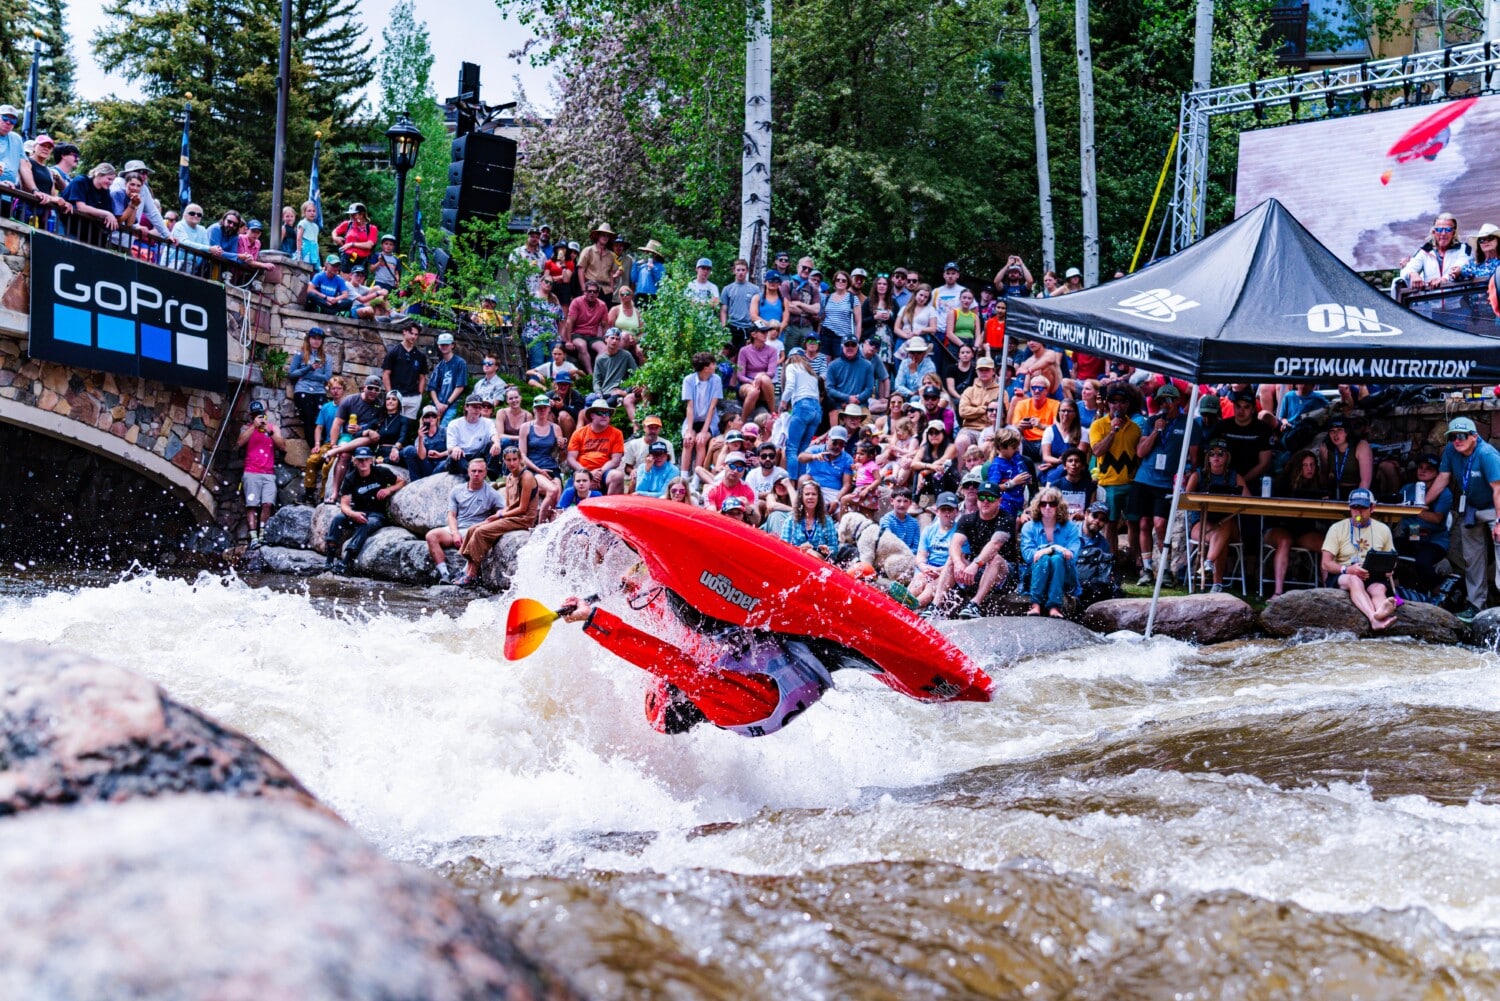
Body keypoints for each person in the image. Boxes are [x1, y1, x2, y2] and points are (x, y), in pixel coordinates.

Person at [1426, 416, 1500, 621]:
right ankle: (1476, 606)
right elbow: (1443, 478)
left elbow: (1499, 490)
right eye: (1452, 437)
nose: (1457, 440)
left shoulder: (1487, 455)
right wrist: (1422, 503)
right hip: (1471, 507)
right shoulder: (1451, 450)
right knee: (1472, 557)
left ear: (1474, 436)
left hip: (1495, 506)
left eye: (1462, 436)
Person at [1130, 384, 1194, 588]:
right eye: (1161, 400)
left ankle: (1165, 569)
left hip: (1166, 482)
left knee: (1160, 524)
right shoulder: (1151, 422)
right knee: (1144, 524)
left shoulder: (1187, 423)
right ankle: (1147, 568)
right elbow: (1140, 452)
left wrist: (1185, 475)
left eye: (1169, 400)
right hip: (1145, 478)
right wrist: (1157, 431)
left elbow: (1194, 457)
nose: (1164, 405)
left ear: (1177, 401)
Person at [452, 448, 540, 586]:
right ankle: (467, 570)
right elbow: (510, 505)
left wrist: (500, 514)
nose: (512, 463)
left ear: (520, 460)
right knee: (472, 529)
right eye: (508, 460)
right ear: (504, 461)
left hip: (523, 519)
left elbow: (522, 508)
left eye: (514, 459)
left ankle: (472, 575)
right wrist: (496, 516)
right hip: (511, 516)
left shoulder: (526, 477)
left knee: (481, 532)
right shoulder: (510, 477)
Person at [1320, 488, 1400, 630]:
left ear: (1372, 508)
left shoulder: (1382, 529)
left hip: (1372, 574)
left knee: (1379, 588)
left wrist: (1389, 569)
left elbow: (1392, 559)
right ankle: (1373, 617)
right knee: (1354, 579)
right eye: (1354, 508)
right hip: (1344, 574)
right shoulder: (1337, 528)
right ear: (1349, 508)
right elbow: (1326, 563)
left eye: (1362, 508)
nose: (1358, 512)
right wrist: (1348, 569)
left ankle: (1382, 611)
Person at [425, 457, 506, 584]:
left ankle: (464, 574)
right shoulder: (457, 490)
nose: (476, 474)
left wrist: (492, 519)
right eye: (473, 471)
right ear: (468, 471)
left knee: (476, 535)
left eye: (480, 471)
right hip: (456, 529)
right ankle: (445, 574)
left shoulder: (492, 494)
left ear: (485, 473)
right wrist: (455, 532)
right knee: (431, 535)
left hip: (474, 530)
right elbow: (451, 515)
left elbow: (504, 511)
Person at [940, 481, 1014, 620]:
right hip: (977, 571)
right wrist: (958, 563)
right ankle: (935, 606)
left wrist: (975, 565)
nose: (985, 501)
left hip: (1004, 574)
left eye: (991, 498)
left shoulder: (1006, 519)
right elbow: (955, 543)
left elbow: (995, 545)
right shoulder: (967, 519)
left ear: (999, 500)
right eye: (982, 497)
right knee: (952, 559)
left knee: (995, 558)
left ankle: (975, 604)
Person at [324, 446, 404, 574]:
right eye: (360, 460)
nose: (363, 463)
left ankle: (345, 562)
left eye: (366, 459)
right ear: (355, 461)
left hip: (376, 515)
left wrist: (388, 490)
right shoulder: (351, 478)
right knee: (338, 519)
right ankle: (329, 560)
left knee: (365, 523)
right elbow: (344, 504)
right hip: (357, 511)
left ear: (371, 460)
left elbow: (401, 482)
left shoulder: (381, 472)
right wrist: (352, 513)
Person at [1263, 449, 1329, 597]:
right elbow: (1271, 510)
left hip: (1303, 532)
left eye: (1312, 465)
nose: (1309, 469)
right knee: (1285, 541)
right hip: (1279, 527)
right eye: (1305, 465)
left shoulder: (1317, 485)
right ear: (1297, 467)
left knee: (1327, 545)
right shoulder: (1282, 484)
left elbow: (1322, 518)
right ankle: (1278, 593)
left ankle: (1329, 592)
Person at [1183, 439, 1248, 592]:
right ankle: (1217, 584)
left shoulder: (1234, 476)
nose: (1216, 457)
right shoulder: (1198, 475)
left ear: (1227, 457)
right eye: (1212, 454)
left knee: (1224, 525)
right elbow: (1185, 499)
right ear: (1208, 458)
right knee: (1220, 537)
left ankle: (1209, 561)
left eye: (1220, 454)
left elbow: (1248, 500)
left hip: (1227, 522)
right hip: (1202, 521)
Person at [1395, 454, 1454, 594]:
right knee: (1386, 552)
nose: (1422, 471)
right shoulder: (1407, 488)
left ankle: (1438, 594)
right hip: (1410, 535)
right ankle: (1395, 591)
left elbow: (1437, 518)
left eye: (1429, 468)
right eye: (1420, 467)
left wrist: (1413, 510)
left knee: (1423, 562)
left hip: (1433, 539)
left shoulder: (1444, 493)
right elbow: (1396, 509)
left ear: (1437, 473)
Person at [1020, 487, 1079, 617]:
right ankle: (1036, 605)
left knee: (1057, 559)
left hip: (1064, 574)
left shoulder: (1070, 527)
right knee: (1044, 559)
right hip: (1035, 573)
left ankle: (1054, 606)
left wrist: (1053, 549)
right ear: (1038, 506)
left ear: (1059, 506)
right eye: (1043, 504)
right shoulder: (1029, 527)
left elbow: (1072, 556)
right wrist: (1052, 548)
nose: (1047, 507)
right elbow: (1029, 556)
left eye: (1052, 504)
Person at [238, 401, 287, 547]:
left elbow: (283, 446)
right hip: (251, 471)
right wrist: (254, 426)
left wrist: (268, 431)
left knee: (267, 504)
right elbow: (239, 443)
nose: (259, 417)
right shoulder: (247, 428)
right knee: (251, 505)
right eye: (255, 415)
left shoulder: (273, 428)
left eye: (261, 414)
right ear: (251, 416)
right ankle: (253, 537)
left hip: (268, 472)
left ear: (265, 413)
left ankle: (262, 534)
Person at [1399, 212, 1471, 290]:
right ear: (1434, 232)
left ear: (1453, 232)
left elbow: (1462, 266)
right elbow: (1406, 270)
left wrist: (1444, 279)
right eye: (1439, 229)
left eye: (1448, 229)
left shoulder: (1463, 249)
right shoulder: (1425, 251)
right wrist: (1412, 274)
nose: (1443, 233)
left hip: (1456, 300)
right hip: (1431, 300)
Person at [567, 398, 626, 492]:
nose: (604, 416)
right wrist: (588, 474)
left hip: (604, 472)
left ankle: (609, 506)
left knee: (618, 476)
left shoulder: (617, 433)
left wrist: (599, 473)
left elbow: (616, 460)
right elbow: (570, 459)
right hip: (581, 471)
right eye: (600, 413)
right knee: (565, 499)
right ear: (592, 415)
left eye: (607, 413)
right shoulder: (579, 433)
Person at [681, 351, 722, 480]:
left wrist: (704, 431)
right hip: (692, 419)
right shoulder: (688, 380)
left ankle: (697, 478)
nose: (715, 366)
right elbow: (690, 406)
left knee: (701, 441)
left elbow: (712, 407)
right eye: (712, 364)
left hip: (709, 421)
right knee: (688, 441)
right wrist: (689, 430)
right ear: (705, 368)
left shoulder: (716, 379)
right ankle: (683, 476)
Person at [288, 328, 333, 441]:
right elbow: (292, 374)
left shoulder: (327, 358)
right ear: (309, 339)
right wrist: (309, 368)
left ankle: (321, 450)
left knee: (321, 421)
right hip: (303, 390)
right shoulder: (300, 354)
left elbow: (327, 377)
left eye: (319, 339)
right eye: (314, 338)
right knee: (308, 420)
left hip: (319, 391)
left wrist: (306, 374)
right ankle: (315, 452)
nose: (316, 341)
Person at [797, 425, 855, 512]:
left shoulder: (847, 458)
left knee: (845, 516)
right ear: (827, 439)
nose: (837, 447)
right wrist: (814, 456)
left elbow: (847, 485)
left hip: (834, 493)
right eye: (835, 442)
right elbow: (801, 457)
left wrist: (836, 500)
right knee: (804, 478)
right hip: (814, 490)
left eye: (841, 444)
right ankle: (801, 511)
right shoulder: (816, 450)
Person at [592, 328, 640, 427]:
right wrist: (598, 392)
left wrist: (626, 391)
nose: (614, 341)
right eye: (612, 338)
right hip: (604, 393)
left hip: (617, 393)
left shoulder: (626, 355)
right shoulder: (600, 359)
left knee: (604, 407)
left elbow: (636, 376)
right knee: (588, 404)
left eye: (617, 339)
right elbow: (596, 381)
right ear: (606, 339)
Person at [382, 320, 429, 419]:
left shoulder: (420, 356)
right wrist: (390, 394)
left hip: (413, 397)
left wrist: (419, 395)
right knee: (394, 426)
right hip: (397, 396)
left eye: (416, 335)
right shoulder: (393, 352)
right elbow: (386, 374)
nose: (414, 337)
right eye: (411, 333)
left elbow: (422, 377)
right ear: (404, 332)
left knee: (407, 428)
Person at [781, 478, 839, 557]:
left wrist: (828, 549)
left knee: (813, 555)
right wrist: (798, 548)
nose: (810, 497)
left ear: (818, 498)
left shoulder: (827, 520)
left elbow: (835, 548)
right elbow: (783, 548)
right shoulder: (790, 520)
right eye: (807, 494)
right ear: (801, 497)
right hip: (796, 559)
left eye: (814, 494)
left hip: (819, 560)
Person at [1319, 416, 1372, 502]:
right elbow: (1323, 478)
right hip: (1336, 490)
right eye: (1332, 431)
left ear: (1347, 431)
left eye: (1339, 430)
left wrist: (1358, 500)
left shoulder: (1361, 445)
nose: (1335, 434)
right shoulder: (1326, 447)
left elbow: (1366, 480)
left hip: (1357, 490)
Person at [400, 405, 450, 480]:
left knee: (447, 461)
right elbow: (422, 456)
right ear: (423, 419)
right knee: (408, 449)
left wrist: (440, 455)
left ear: (437, 418)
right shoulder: (420, 436)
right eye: (427, 416)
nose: (430, 418)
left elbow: (455, 449)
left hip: (443, 464)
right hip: (428, 467)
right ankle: (416, 482)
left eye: (433, 416)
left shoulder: (445, 431)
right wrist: (420, 438)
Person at [332, 203, 378, 271]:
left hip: (362, 259)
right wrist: (335, 238)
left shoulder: (371, 228)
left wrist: (351, 244)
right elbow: (334, 231)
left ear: (362, 214)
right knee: (346, 280)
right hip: (348, 257)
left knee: (359, 280)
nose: (352, 217)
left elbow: (369, 245)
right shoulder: (348, 224)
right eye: (351, 215)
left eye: (354, 214)